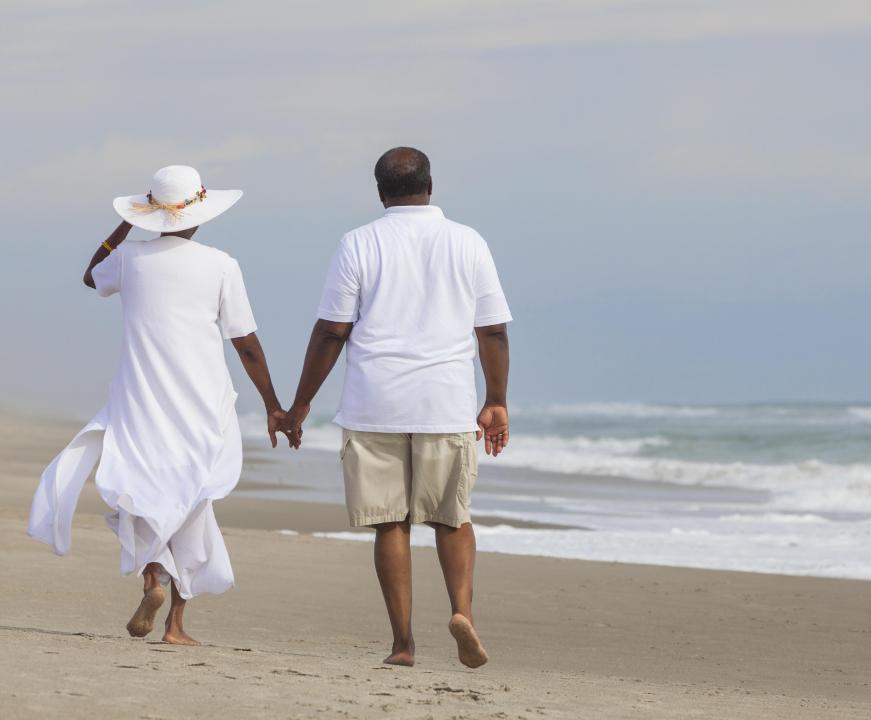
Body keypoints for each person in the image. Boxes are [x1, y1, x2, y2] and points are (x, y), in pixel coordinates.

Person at [28, 165, 289, 645]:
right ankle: (176, 626)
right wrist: (274, 405)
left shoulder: (128, 258)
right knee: (192, 499)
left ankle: (153, 580)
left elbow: (91, 276)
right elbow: (246, 342)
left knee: (143, 495)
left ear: (152, 212)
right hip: (202, 403)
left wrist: (129, 222)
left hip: (141, 399)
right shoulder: (220, 264)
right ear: (200, 213)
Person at [284, 147, 512, 668]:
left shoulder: (358, 243)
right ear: (432, 185)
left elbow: (332, 332)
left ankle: (403, 644)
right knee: (452, 519)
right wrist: (495, 400)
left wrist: (299, 405)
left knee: (391, 524)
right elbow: (492, 329)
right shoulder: (467, 241)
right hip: (446, 400)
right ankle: (461, 613)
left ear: (380, 191)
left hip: (374, 402)